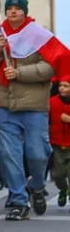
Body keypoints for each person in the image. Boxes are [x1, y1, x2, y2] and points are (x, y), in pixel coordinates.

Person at [0, 0, 60, 219]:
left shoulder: (39, 36)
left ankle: (36, 185)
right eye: (9, 8)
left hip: (33, 104)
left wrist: (20, 73)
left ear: (25, 11)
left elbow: (50, 66)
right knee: (9, 154)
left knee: (37, 154)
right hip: (3, 104)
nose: (13, 12)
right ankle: (18, 200)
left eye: (17, 8)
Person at [50, 78, 70, 208]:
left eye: (66, 86)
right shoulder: (52, 102)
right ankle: (63, 189)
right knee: (58, 174)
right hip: (57, 144)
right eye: (60, 85)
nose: (61, 88)